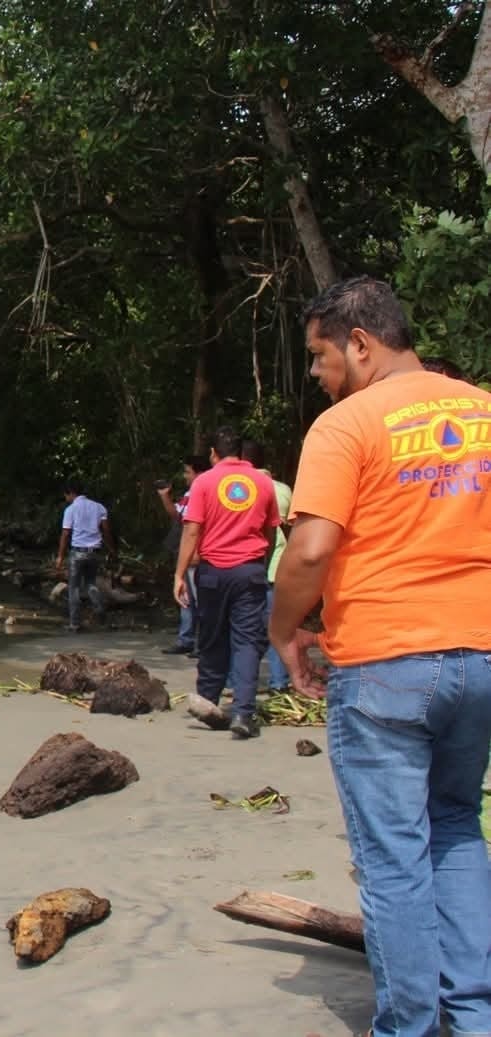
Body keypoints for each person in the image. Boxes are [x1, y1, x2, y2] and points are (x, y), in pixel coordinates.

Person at [269, 275, 491, 1037]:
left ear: (359, 344)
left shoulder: (345, 424)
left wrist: (283, 629)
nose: (317, 374)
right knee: (457, 828)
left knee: (393, 853)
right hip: (480, 655)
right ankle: (474, 1017)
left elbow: (310, 550)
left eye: (319, 356)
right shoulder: (483, 409)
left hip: (387, 661)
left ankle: (407, 1025)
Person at [173, 426, 280, 738]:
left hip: (213, 573)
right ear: (242, 452)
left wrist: (179, 574)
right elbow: (272, 532)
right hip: (249, 571)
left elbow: (192, 531)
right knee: (247, 642)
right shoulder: (263, 482)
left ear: (213, 453)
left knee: (211, 637)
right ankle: (244, 714)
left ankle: (208, 701)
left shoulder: (204, 482)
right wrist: (259, 562)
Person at [241, 440, 294, 691]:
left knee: (244, 630)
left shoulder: (240, 489)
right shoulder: (283, 490)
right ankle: (279, 681)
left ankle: (239, 682)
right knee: (278, 629)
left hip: (248, 567)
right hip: (279, 568)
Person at [158, 455, 210, 656]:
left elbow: (196, 527)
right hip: (187, 554)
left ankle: (202, 643)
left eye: (188, 471)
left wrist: (195, 551)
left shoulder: (204, 492)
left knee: (200, 600)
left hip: (196, 554)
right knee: (186, 598)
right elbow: (178, 516)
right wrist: (165, 496)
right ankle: (186, 639)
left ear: (198, 472)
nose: (185, 476)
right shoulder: (190, 493)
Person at [56, 479, 114, 632]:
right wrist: (112, 549)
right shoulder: (99, 507)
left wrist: (60, 556)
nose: (65, 498)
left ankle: (74, 623)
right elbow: (106, 531)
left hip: (78, 553)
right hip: (95, 552)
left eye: (65, 495)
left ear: (70, 493)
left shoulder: (70, 510)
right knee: (90, 584)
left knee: (74, 588)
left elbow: (65, 533)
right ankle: (100, 610)